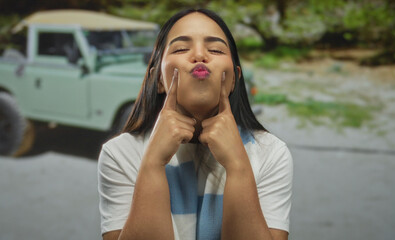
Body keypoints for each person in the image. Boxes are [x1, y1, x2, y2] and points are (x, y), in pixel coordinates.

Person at [98, 8, 293, 240]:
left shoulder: (271, 153)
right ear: (158, 79)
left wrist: (239, 167)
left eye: (215, 49)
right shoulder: (119, 154)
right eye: (181, 48)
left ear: (235, 79)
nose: (200, 55)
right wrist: (152, 164)